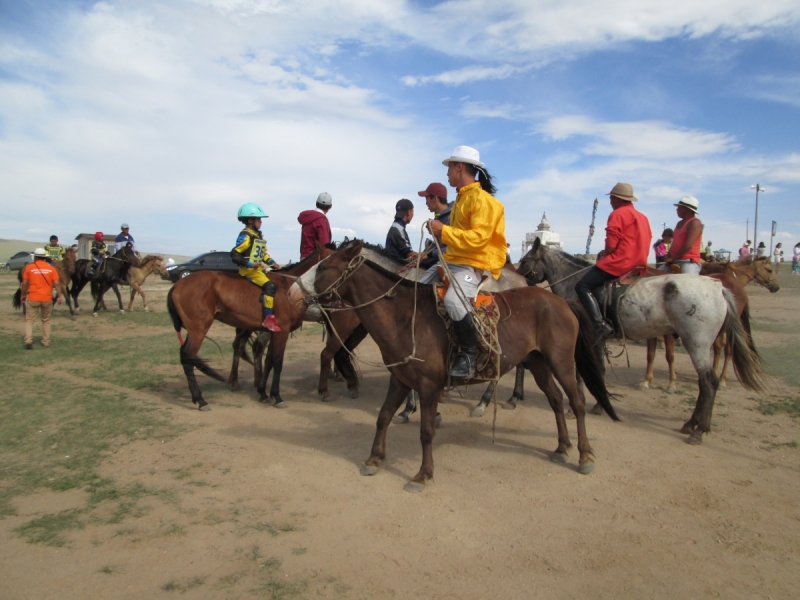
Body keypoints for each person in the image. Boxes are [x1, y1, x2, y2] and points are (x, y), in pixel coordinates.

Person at [428, 145, 507, 379]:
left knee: (453, 300)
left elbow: (478, 239)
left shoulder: (483, 201)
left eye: (449, 167)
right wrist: (441, 234)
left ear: (459, 167)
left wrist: (444, 230)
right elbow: (458, 237)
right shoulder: (462, 199)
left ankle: (469, 356)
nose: (447, 173)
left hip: (474, 264)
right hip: (453, 260)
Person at [575, 183, 652, 340]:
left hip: (620, 262)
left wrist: (604, 253)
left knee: (582, 286)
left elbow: (611, 245)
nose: (610, 201)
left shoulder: (618, 214)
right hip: (639, 263)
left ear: (617, 199)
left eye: (611, 198)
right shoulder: (643, 217)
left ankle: (600, 324)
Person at [230, 203, 282, 332]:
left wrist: (273, 263)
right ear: (250, 220)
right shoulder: (246, 236)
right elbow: (234, 254)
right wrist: (249, 264)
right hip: (249, 271)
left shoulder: (257, 235)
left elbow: (262, 254)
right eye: (259, 219)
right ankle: (268, 319)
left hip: (258, 270)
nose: (261, 222)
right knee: (270, 286)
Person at [20, 248, 62, 349]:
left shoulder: (29, 268)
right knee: (46, 320)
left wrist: (23, 295)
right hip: (47, 299)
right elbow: (56, 283)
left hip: (33, 297)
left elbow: (25, 283)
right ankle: (46, 341)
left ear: (35, 257)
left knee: (29, 320)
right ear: (44, 257)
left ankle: (28, 340)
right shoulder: (51, 269)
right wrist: (59, 296)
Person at [417, 183, 452, 283]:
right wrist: (425, 252)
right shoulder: (439, 217)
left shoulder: (452, 217)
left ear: (435, 198)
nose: (426, 203)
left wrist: (430, 254)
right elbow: (438, 244)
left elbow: (453, 247)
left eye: (427, 199)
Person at [662, 196, 703, 275]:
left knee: (688, 285)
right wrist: (668, 255)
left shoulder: (695, 223)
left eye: (679, 207)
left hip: (689, 263)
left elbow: (688, 245)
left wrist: (672, 258)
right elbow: (674, 244)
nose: (677, 209)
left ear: (686, 209)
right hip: (675, 261)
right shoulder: (679, 223)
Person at [298, 192, 333, 259]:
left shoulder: (308, 217)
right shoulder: (321, 220)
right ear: (330, 206)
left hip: (304, 257)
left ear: (316, 203)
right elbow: (324, 244)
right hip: (314, 259)